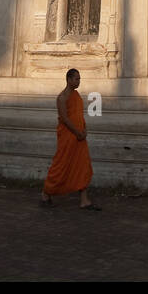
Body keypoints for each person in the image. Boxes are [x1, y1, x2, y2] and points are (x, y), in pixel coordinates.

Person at [40, 68, 99, 210]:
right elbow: (65, 119)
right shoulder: (62, 98)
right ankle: (46, 193)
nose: (79, 81)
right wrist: (77, 132)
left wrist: (84, 129)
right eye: (76, 79)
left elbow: (79, 115)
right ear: (69, 79)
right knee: (61, 165)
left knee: (82, 166)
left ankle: (84, 200)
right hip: (69, 137)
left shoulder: (77, 96)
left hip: (79, 137)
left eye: (79, 79)